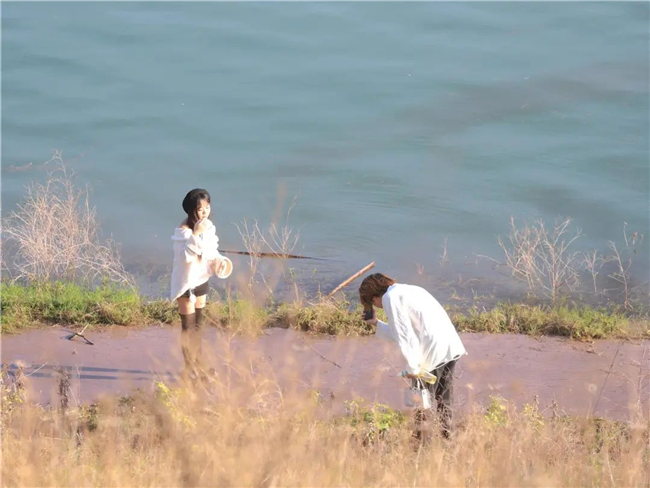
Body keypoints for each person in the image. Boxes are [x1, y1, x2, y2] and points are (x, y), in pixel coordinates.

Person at [359, 273, 466, 439]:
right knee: (444, 398)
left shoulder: (390, 298)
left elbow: (405, 336)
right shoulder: (409, 290)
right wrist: (376, 324)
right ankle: (449, 439)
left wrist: (413, 367)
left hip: (431, 349)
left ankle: (421, 444)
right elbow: (401, 331)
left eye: (370, 303)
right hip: (449, 345)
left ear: (373, 298)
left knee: (421, 401)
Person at [170, 188, 232, 378]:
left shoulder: (209, 226)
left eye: (207, 206)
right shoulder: (183, 232)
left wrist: (219, 261)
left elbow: (212, 250)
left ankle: (200, 365)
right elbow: (185, 258)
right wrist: (196, 234)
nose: (204, 211)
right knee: (188, 328)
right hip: (186, 282)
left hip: (201, 280)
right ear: (191, 210)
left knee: (198, 326)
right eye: (199, 208)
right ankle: (190, 370)